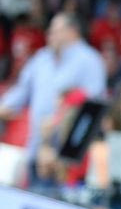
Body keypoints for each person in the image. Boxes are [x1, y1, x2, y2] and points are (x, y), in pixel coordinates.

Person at [0, 12, 106, 175]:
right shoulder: (41, 57)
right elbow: (21, 91)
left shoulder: (90, 60)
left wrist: (60, 120)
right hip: (37, 147)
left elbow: (93, 106)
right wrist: (4, 106)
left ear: (72, 31)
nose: (49, 34)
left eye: (55, 30)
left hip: (67, 155)